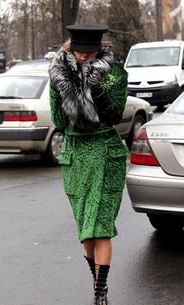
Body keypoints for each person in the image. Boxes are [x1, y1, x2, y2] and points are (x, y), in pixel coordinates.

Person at [49, 24, 128, 305]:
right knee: (86, 228)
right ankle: (100, 288)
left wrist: (91, 89)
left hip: (106, 152)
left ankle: (98, 296)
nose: (84, 57)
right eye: (80, 52)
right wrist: (65, 92)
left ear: (98, 49)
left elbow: (115, 113)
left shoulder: (114, 73)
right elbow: (59, 121)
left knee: (101, 226)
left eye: (90, 52)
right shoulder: (58, 75)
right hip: (75, 156)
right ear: (72, 48)